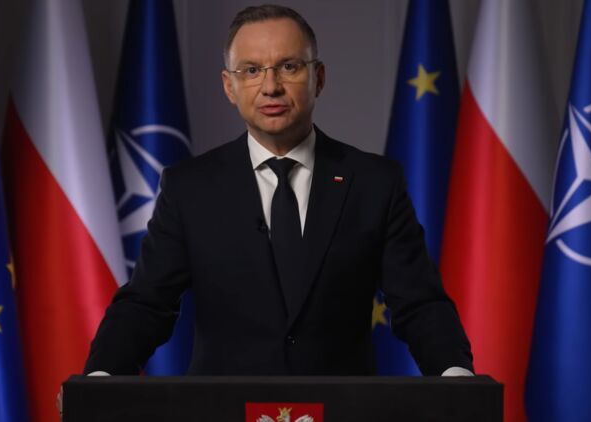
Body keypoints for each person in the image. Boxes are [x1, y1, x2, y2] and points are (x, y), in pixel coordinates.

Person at [84, 4, 473, 377]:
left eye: (289, 67)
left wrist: (456, 375)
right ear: (230, 86)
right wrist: (100, 376)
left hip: (340, 408)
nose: (270, 87)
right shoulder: (189, 188)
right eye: (252, 70)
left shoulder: (375, 183)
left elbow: (419, 303)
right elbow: (146, 304)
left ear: (319, 78)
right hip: (224, 410)